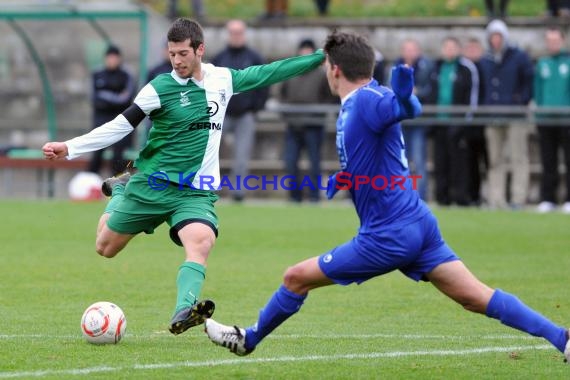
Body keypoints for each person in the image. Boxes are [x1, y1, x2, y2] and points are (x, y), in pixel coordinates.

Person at [203, 31, 570, 363]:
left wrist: (407, 99)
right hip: (418, 224)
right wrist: (347, 177)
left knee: (295, 277)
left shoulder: (367, 100)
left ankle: (248, 339)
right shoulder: (362, 100)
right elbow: (381, 144)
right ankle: (563, 339)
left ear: (333, 70)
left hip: (387, 235)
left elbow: (403, 110)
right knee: (476, 297)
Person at [42, 18, 326, 336]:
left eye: (182, 54)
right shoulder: (159, 88)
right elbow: (120, 125)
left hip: (195, 192)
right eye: (172, 54)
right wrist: (70, 147)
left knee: (202, 241)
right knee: (105, 247)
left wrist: (318, 57)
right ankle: (121, 190)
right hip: (151, 184)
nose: (176, 61)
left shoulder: (222, 79)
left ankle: (184, 308)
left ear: (199, 49)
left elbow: (270, 72)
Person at [211, 20, 269, 202]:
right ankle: (209, 188)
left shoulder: (254, 58)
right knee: (210, 152)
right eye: (233, 33)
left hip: (245, 114)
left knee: (242, 155)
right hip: (222, 115)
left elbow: (264, 83)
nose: (236, 36)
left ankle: (238, 193)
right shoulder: (219, 59)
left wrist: (256, 106)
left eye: (239, 33)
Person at [479, 19, 534, 209]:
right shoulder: (485, 60)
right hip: (493, 115)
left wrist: (521, 100)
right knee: (495, 160)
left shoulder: (519, 56)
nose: (495, 40)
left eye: (498, 36)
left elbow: (528, 80)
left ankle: (518, 198)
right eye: (492, 36)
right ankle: (496, 199)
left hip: (515, 115)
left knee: (518, 157)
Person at [280, 39, 337, 203]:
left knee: (314, 163)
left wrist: (318, 112)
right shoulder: (290, 73)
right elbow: (282, 95)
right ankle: (294, 197)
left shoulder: (321, 75)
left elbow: (330, 97)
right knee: (290, 162)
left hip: (314, 125)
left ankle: (313, 196)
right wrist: (287, 114)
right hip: (293, 125)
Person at [427, 37, 479, 206]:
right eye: (446, 47)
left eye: (452, 47)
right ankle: (442, 198)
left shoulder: (466, 69)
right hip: (439, 122)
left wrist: (464, 122)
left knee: (459, 163)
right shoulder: (436, 68)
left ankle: (460, 197)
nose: (449, 51)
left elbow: (472, 97)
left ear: (458, 49)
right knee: (440, 162)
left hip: (458, 124)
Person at [392, 38, 434, 201]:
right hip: (400, 123)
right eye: (407, 49)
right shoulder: (394, 68)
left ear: (418, 51)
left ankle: (421, 196)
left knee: (419, 160)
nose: (410, 53)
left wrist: (414, 93)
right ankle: (400, 196)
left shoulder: (427, 67)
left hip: (418, 122)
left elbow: (430, 89)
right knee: (400, 161)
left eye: (412, 49)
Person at [534, 27, 570, 214]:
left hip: (566, 120)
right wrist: (539, 114)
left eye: (556, 40)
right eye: (550, 41)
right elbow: (537, 92)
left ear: (562, 41)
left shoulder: (568, 62)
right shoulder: (542, 63)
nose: (553, 44)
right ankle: (548, 199)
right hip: (546, 120)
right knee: (548, 161)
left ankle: (568, 199)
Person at [88, 45, 137, 176]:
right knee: (97, 154)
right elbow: (94, 99)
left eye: (115, 58)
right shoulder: (97, 74)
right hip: (101, 122)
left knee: (119, 156)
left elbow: (126, 99)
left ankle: (117, 187)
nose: (112, 60)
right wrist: (115, 98)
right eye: (110, 57)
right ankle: (91, 182)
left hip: (121, 123)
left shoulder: (126, 75)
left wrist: (105, 97)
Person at [462, 37, 489, 206]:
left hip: (484, 122)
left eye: (475, 48)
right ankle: (472, 195)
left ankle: (483, 195)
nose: (472, 52)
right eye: (469, 48)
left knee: (486, 162)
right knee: (469, 162)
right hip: (469, 123)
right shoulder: (464, 69)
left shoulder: (486, 67)